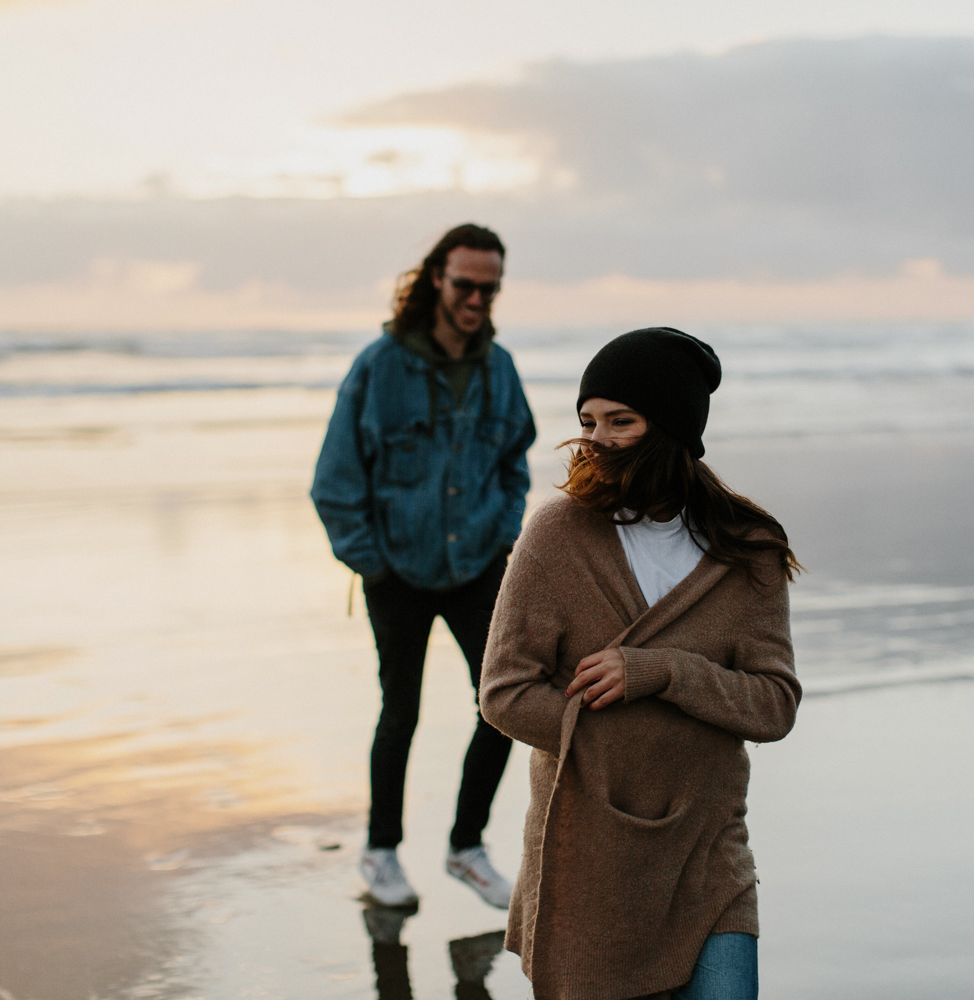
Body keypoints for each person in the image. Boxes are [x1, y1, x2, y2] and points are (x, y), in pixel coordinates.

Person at [480, 327, 802, 999]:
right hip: (590, 861)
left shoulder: (748, 548)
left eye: (620, 421)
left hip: (708, 853)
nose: (597, 439)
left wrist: (662, 672)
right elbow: (505, 693)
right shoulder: (556, 535)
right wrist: (617, 746)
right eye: (587, 421)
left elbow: (773, 705)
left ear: (673, 425)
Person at [312, 223, 537, 910]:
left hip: (478, 565)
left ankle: (466, 848)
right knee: (399, 711)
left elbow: (514, 464)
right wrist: (373, 566)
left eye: (489, 288)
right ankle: (381, 853)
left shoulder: (498, 369)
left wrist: (502, 539)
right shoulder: (378, 368)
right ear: (435, 278)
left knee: (504, 705)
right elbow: (335, 482)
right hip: (396, 574)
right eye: (465, 285)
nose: (476, 299)